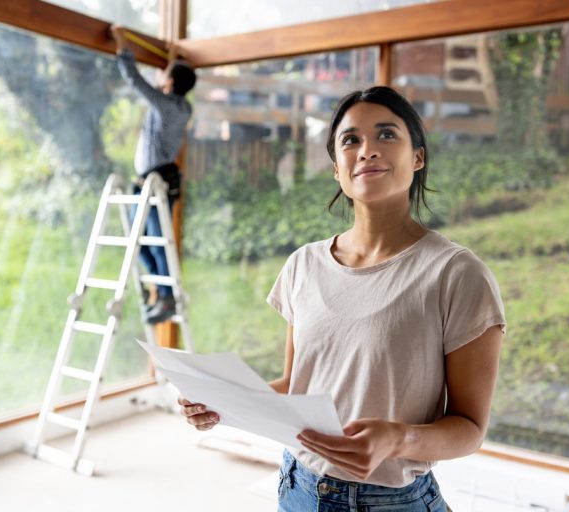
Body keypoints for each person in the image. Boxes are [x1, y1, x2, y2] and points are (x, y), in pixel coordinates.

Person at [178, 86, 506, 511]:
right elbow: (299, 386)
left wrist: (398, 438)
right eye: (351, 140)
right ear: (337, 168)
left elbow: (469, 428)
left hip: (393, 501)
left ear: (418, 157)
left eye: (387, 135)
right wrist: (222, 401)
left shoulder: (457, 274)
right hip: (298, 488)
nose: (367, 150)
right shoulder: (303, 265)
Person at [111, 25, 197, 324]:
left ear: (170, 81)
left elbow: (135, 80)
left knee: (156, 241)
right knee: (142, 243)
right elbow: (165, 84)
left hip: (156, 181)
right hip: (155, 180)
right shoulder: (184, 106)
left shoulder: (165, 104)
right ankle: (161, 293)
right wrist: (172, 58)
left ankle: (165, 296)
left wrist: (121, 43)